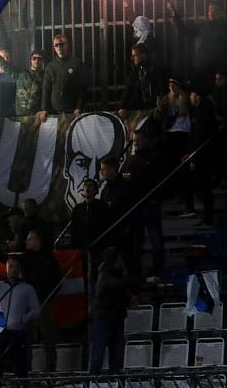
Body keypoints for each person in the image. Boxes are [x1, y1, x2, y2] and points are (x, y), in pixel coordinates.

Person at [61, 111, 127, 211]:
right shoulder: (78, 211)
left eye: (103, 167)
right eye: (82, 163)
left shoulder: (118, 192)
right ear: (67, 166)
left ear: (118, 165)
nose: (92, 176)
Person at [123, 128, 165, 277]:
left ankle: (157, 271)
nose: (136, 143)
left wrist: (133, 179)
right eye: (134, 141)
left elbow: (156, 179)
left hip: (150, 202)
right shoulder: (132, 159)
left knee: (156, 241)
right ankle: (137, 273)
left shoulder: (155, 157)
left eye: (138, 140)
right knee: (137, 242)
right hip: (136, 205)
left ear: (146, 140)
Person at [0, 256, 41, 378]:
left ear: (20, 270)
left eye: (16, 267)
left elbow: (36, 310)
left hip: (18, 332)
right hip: (0, 332)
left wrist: (23, 319)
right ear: (6, 268)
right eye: (11, 266)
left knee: (20, 366)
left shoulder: (27, 288)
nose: (14, 270)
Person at [22, 230, 61, 372]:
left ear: (38, 240)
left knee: (48, 337)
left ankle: (50, 370)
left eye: (30, 239)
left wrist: (47, 297)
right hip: (29, 304)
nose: (27, 242)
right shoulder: (25, 259)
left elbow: (57, 281)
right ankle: (26, 370)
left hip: (44, 302)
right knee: (26, 339)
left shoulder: (48, 258)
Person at [89, 247, 131, 375]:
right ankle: (92, 380)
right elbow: (118, 286)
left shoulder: (116, 275)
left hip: (116, 318)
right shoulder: (105, 275)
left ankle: (114, 380)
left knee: (116, 356)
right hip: (103, 319)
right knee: (98, 355)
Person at [69, 178, 114, 281]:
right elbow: (74, 229)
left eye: (91, 186)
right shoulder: (78, 208)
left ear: (95, 190)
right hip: (82, 248)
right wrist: (75, 247)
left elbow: (106, 225)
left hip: (98, 248)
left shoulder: (101, 206)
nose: (88, 188)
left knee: (98, 275)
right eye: (86, 185)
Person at [0, 42, 44, 117]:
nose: (36, 61)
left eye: (39, 59)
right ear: (30, 60)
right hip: (21, 116)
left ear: (42, 61)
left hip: (37, 115)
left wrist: (44, 110)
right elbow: (4, 65)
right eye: (34, 58)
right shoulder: (21, 73)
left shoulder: (45, 75)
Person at [185, 84, 217, 225]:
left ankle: (208, 217)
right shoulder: (198, 111)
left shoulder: (203, 111)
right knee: (202, 187)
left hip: (204, 155)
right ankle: (205, 215)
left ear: (197, 96)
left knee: (205, 187)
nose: (190, 98)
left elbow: (200, 134)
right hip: (200, 154)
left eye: (191, 95)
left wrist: (193, 154)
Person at [38, 33, 88, 120]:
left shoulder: (76, 63)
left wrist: (79, 107)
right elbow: (46, 89)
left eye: (61, 44)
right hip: (54, 112)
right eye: (56, 45)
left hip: (72, 111)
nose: (58, 47)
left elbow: (83, 88)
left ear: (67, 45)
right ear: (54, 47)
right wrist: (44, 109)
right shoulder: (50, 66)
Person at [119, 43, 165, 115]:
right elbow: (129, 88)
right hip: (141, 109)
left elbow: (161, 88)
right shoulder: (137, 70)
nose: (132, 58)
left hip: (155, 109)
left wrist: (160, 104)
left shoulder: (156, 69)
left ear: (143, 55)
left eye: (135, 55)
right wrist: (123, 106)